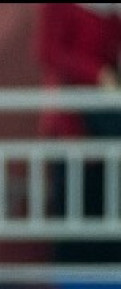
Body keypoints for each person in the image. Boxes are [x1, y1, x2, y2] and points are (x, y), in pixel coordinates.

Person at [34, 2, 121, 262]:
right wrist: (97, 74)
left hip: (110, 125)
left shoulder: (110, 11)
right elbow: (47, 51)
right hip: (72, 123)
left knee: (109, 216)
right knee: (76, 218)